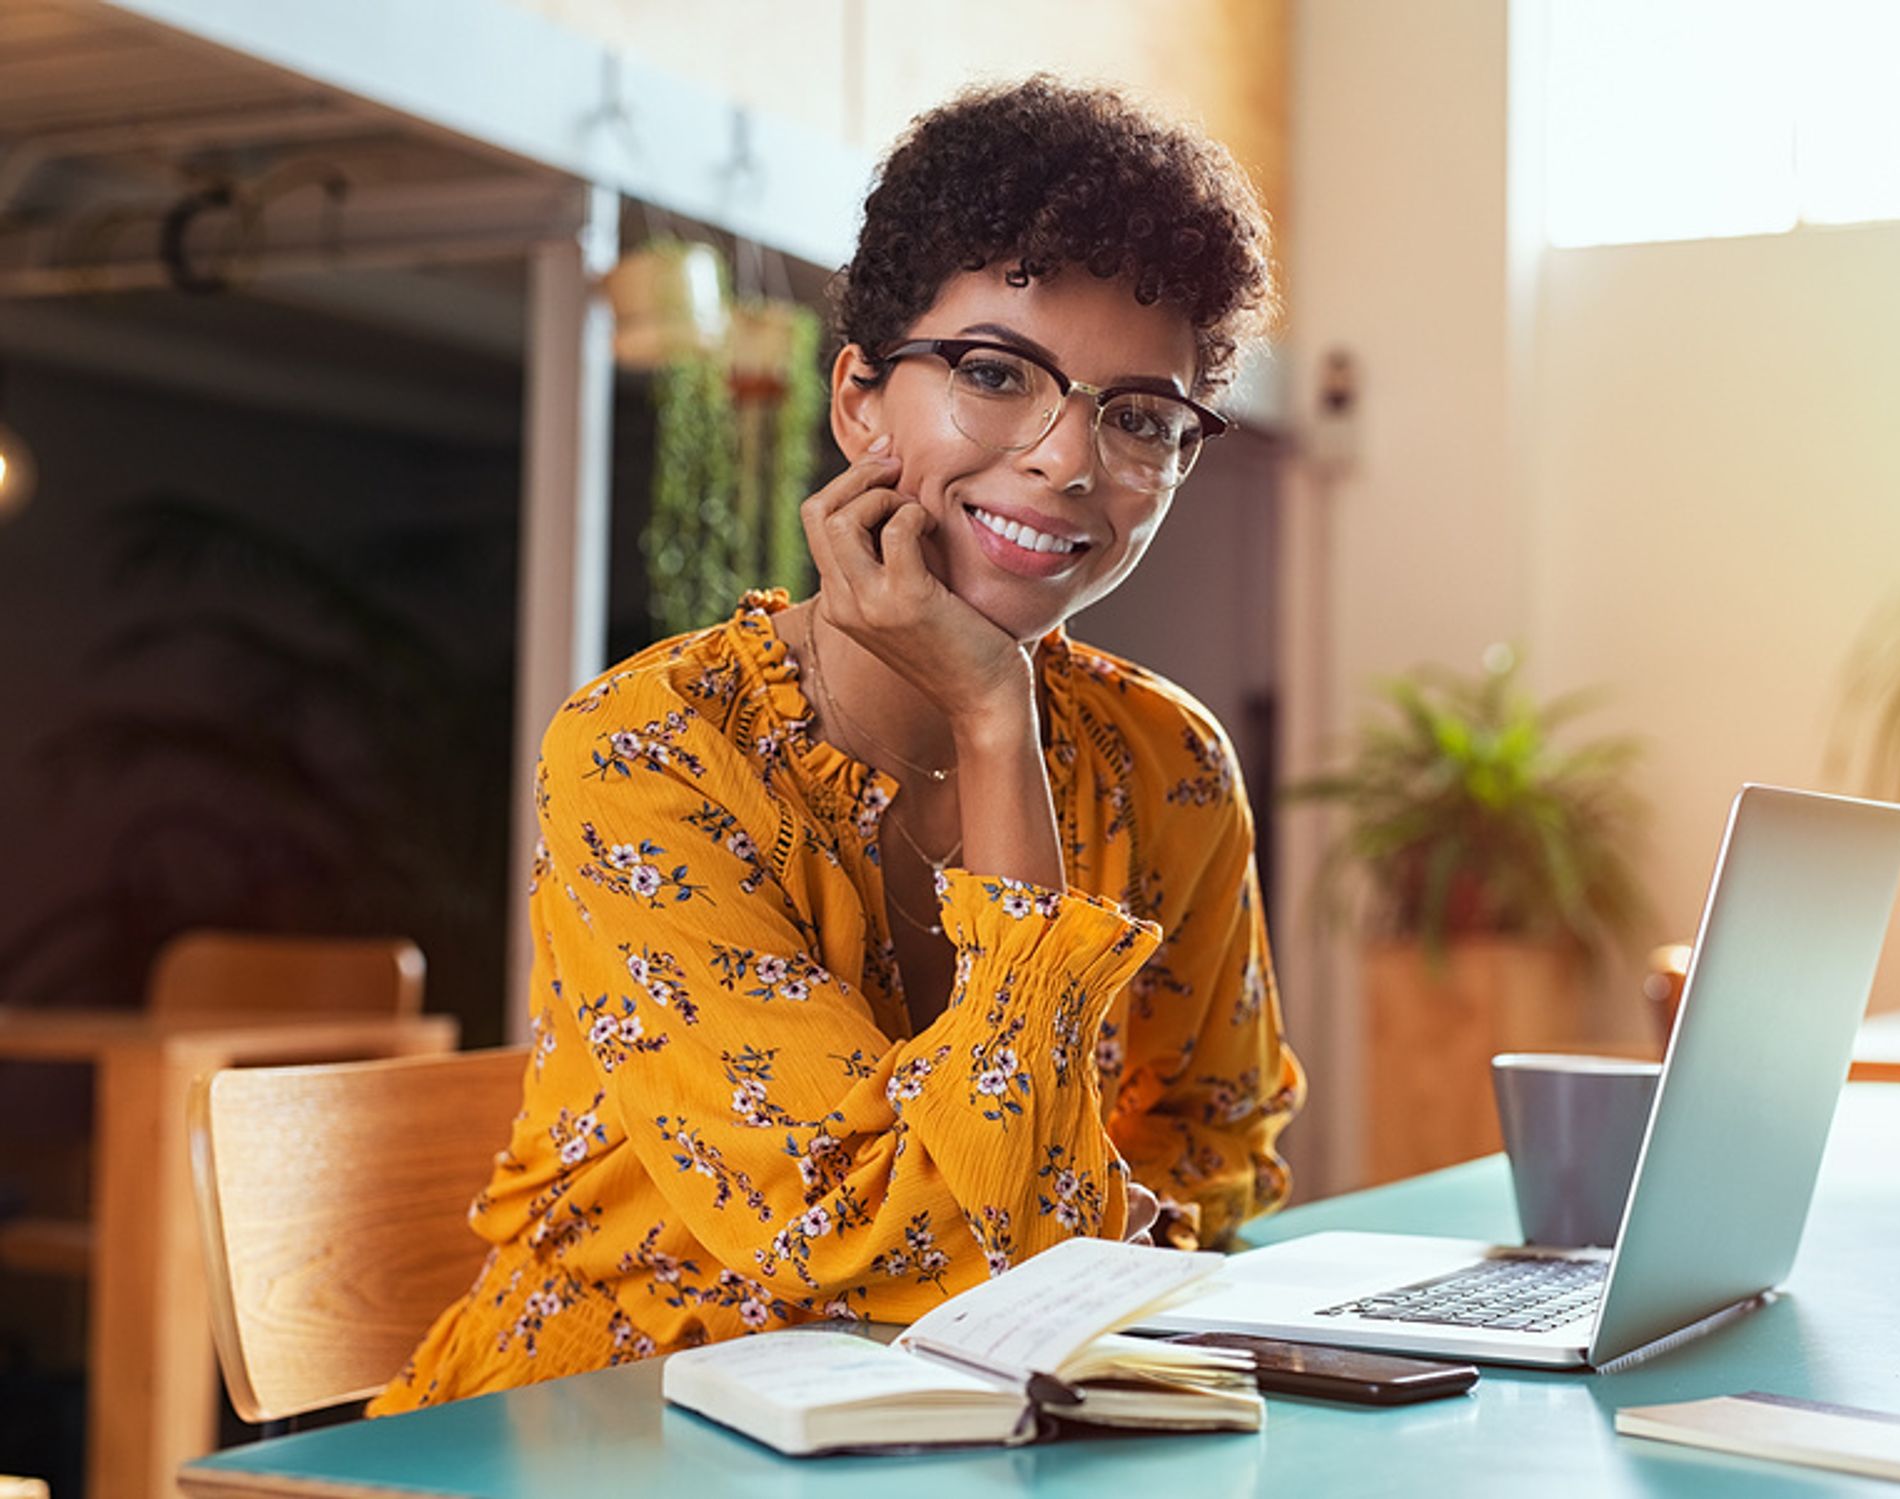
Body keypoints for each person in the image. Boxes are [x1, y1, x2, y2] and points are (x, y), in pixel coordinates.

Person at [370, 74, 1302, 1413]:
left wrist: (1056, 1244)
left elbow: (1211, 1143)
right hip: (607, 1433)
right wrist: (992, 714)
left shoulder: (1170, 762)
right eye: (995, 374)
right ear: (859, 398)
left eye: (1138, 415)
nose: (1066, 459)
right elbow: (856, 1240)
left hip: (971, 1431)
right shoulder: (650, 750)